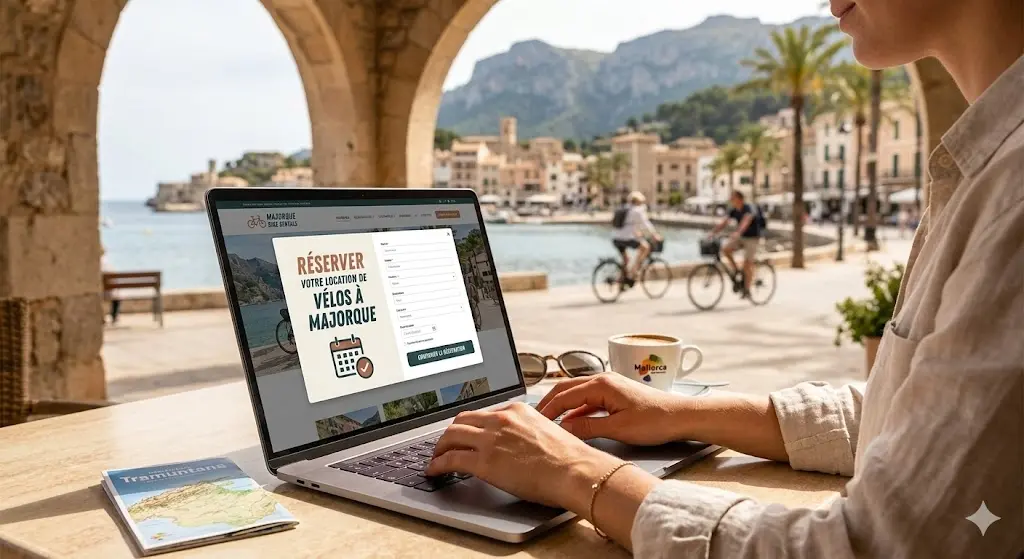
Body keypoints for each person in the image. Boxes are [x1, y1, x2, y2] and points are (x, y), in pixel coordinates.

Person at [427, 1, 1023, 556]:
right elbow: (918, 416)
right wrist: (684, 412)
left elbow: (872, 545)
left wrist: (579, 474)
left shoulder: (1013, 194)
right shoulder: (990, 165)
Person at [708, 190, 761, 296]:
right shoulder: (734, 210)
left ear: (739, 199)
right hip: (741, 237)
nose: (731, 199)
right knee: (725, 249)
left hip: (752, 238)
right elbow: (724, 222)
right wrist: (713, 232)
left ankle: (747, 290)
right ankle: (736, 270)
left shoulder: (748, 208)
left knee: (747, 264)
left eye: (733, 197)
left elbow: (746, 220)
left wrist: (738, 232)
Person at [611, 191, 662, 286]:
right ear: (638, 201)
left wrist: (637, 233)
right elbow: (645, 224)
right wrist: (655, 234)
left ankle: (621, 279)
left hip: (616, 238)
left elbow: (628, 225)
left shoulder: (624, 208)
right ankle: (633, 273)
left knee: (626, 259)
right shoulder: (637, 211)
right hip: (626, 238)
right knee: (646, 248)